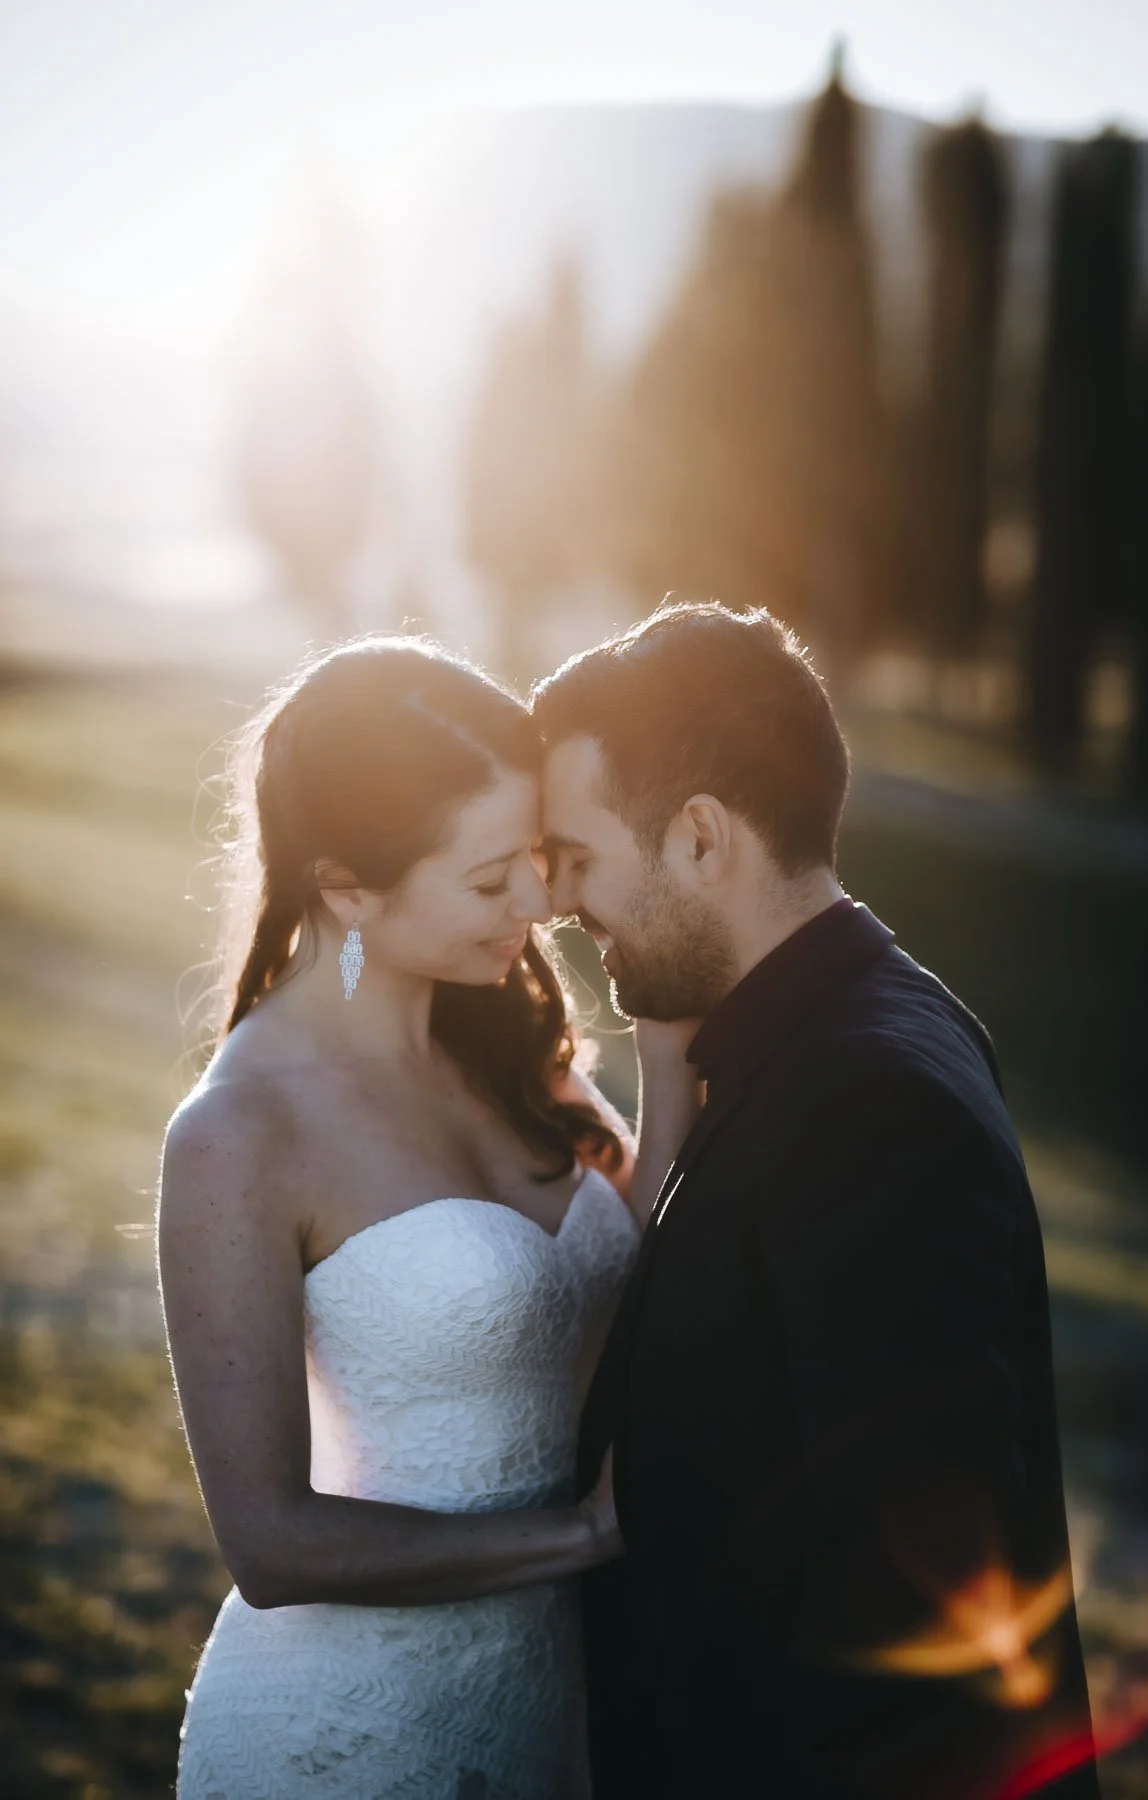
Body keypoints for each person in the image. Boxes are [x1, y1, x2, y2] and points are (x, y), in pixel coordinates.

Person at [533, 600, 1101, 1800]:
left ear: (699, 838)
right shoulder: (849, 1026)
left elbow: (922, 1619)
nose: (562, 904)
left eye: (582, 856)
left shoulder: (865, 1103)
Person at [158, 636, 657, 1799]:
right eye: (493, 881)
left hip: (545, 1711)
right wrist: (586, 1533)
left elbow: (649, 1235)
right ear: (346, 888)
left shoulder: (505, 1042)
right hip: (346, 1737)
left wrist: (673, 1028)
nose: (540, 900)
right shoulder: (239, 1136)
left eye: (535, 855)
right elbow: (270, 1543)